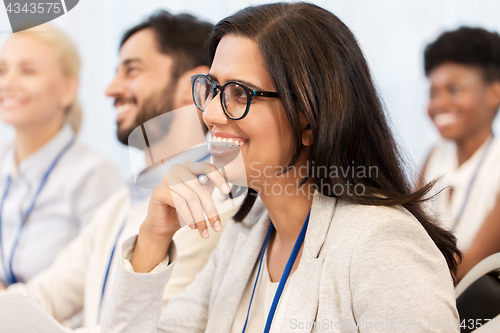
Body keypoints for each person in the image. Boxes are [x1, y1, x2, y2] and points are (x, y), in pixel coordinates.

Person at [102, 3, 462, 333]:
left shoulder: (381, 244)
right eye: (211, 88)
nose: (210, 113)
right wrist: (153, 236)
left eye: (240, 93)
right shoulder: (247, 233)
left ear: (309, 121)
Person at [0, 11, 232, 333]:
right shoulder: (121, 204)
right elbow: (39, 298)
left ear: (198, 87)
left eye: (132, 70)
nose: (110, 89)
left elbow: (152, 326)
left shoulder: (216, 203)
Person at [0, 25, 124, 287]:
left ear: (68, 90)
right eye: (2, 70)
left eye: (28, 71)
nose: (7, 83)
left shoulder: (94, 175)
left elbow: (99, 283)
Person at [419, 27, 500, 281]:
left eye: (454, 90)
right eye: (433, 93)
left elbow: (472, 265)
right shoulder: (434, 156)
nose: (439, 104)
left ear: (495, 93)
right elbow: (406, 232)